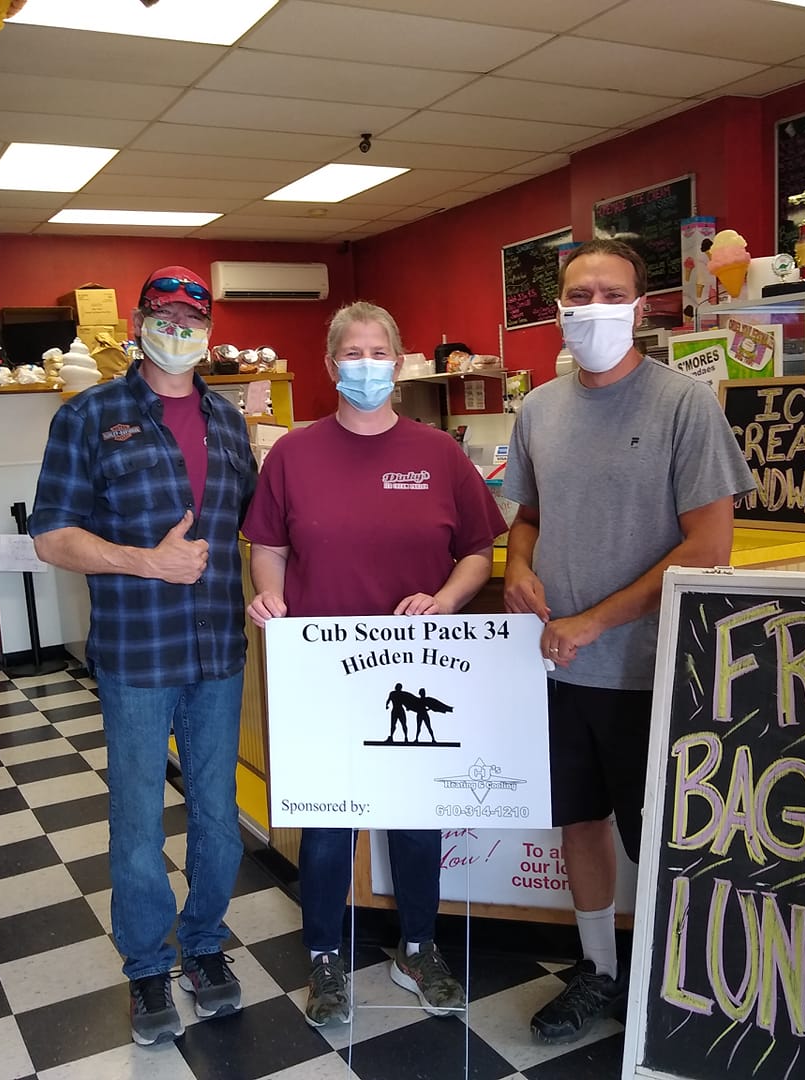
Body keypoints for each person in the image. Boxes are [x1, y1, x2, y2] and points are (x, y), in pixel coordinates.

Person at [502, 238, 754, 1045]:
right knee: (579, 822)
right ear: (559, 308)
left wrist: (595, 621)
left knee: (662, 836)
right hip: (558, 669)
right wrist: (517, 567)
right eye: (580, 295)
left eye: (613, 294)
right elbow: (528, 515)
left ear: (641, 308)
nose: (595, 308)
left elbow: (709, 546)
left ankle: (669, 977)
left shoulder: (685, 404)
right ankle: (599, 969)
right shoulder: (538, 410)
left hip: (654, 672)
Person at [243, 300, 507, 1029]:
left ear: (398, 361)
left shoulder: (439, 454)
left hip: (415, 666)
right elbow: (269, 546)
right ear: (332, 365)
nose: (366, 366)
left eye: (378, 352)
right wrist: (269, 594)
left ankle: (417, 947)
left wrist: (446, 600)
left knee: (416, 816)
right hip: (324, 672)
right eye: (352, 354)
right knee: (328, 824)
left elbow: (478, 552)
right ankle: (324, 956)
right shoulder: (294, 455)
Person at [30, 266, 257, 1046]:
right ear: (137, 324)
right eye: (163, 317)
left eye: (192, 320)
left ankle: (204, 946)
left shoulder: (228, 422)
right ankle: (147, 965)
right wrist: (146, 562)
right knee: (136, 822)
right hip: (136, 653)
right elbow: (52, 536)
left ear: (210, 332)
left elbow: (260, 525)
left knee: (218, 818)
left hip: (218, 650)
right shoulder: (89, 416)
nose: (178, 331)